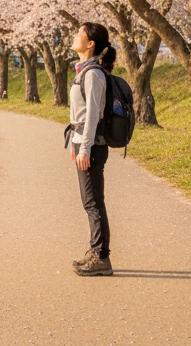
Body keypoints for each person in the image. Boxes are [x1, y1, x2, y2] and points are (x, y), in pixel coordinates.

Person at [68, 23, 115, 276]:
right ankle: (96, 253)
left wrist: (84, 147)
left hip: (93, 146)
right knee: (91, 202)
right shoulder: (83, 71)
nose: (75, 36)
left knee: (94, 202)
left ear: (91, 44)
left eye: (80, 33)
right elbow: (79, 114)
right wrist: (75, 145)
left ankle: (101, 257)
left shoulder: (93, 74)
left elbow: (92, 117)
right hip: (84, 143)